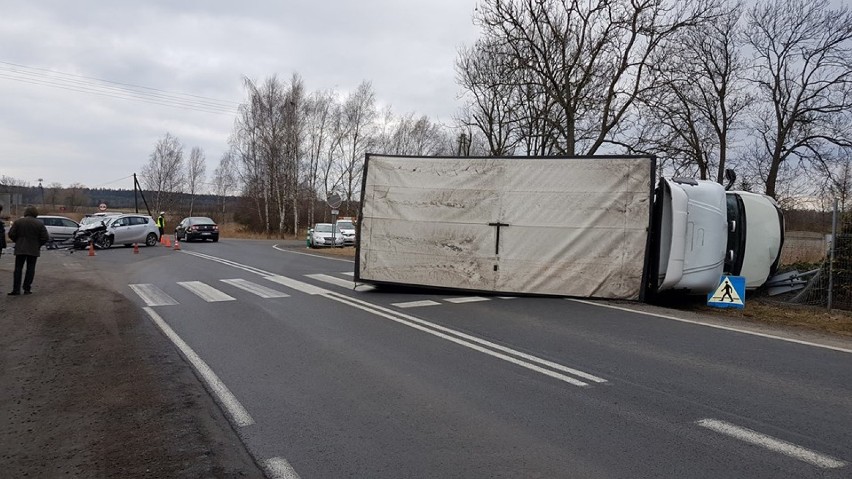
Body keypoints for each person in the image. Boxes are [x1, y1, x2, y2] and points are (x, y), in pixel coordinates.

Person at [7, 205, 49, 296]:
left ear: (25, 213)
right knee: (30, 269)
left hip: (20, 248)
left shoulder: (18, 222)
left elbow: (11, 234)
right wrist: (38, 244)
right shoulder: (39, 224)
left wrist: (17, 241)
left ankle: (16, 289)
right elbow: (45, 237)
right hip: (33, 249)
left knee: (18, 269)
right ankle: (27, 288)